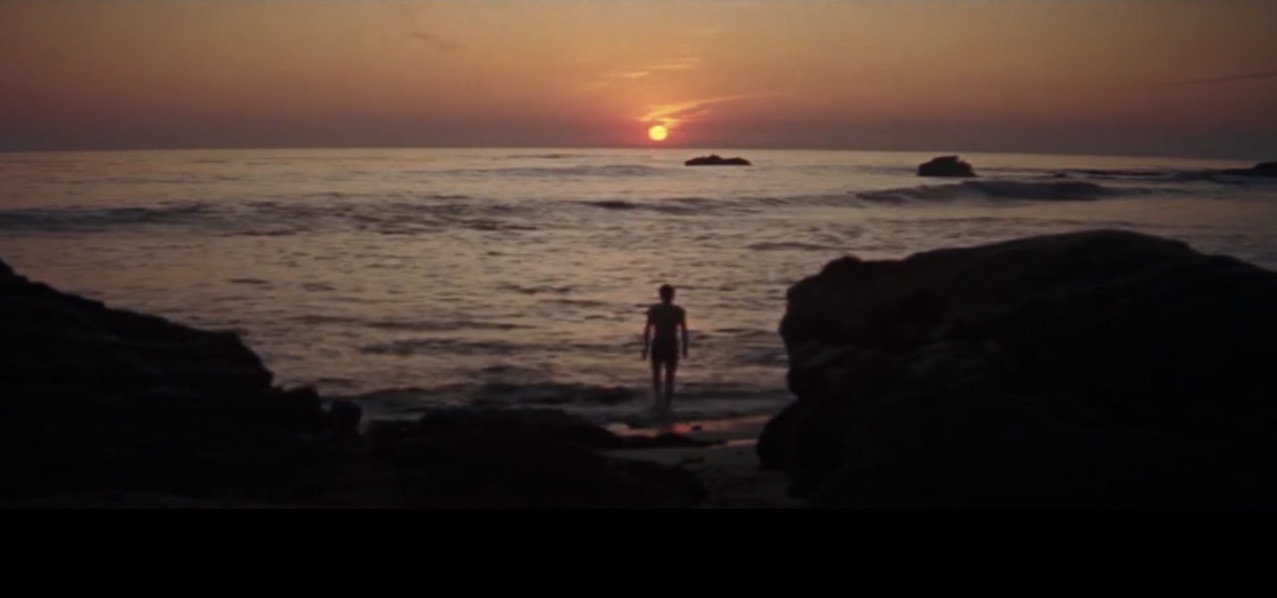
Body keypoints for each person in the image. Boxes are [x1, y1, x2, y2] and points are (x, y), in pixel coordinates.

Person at [641, 284, 688, 422]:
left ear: (661, 295)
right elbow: (684, 331)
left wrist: (645, 346)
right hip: (670, 344)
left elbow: (647, 330)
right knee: (669, 376)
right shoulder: (678, 311)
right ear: (672, 296)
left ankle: (659, 402)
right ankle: (666, 404)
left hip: (659, 344)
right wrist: (685, 347)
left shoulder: (655, 309)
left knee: (657, 375)